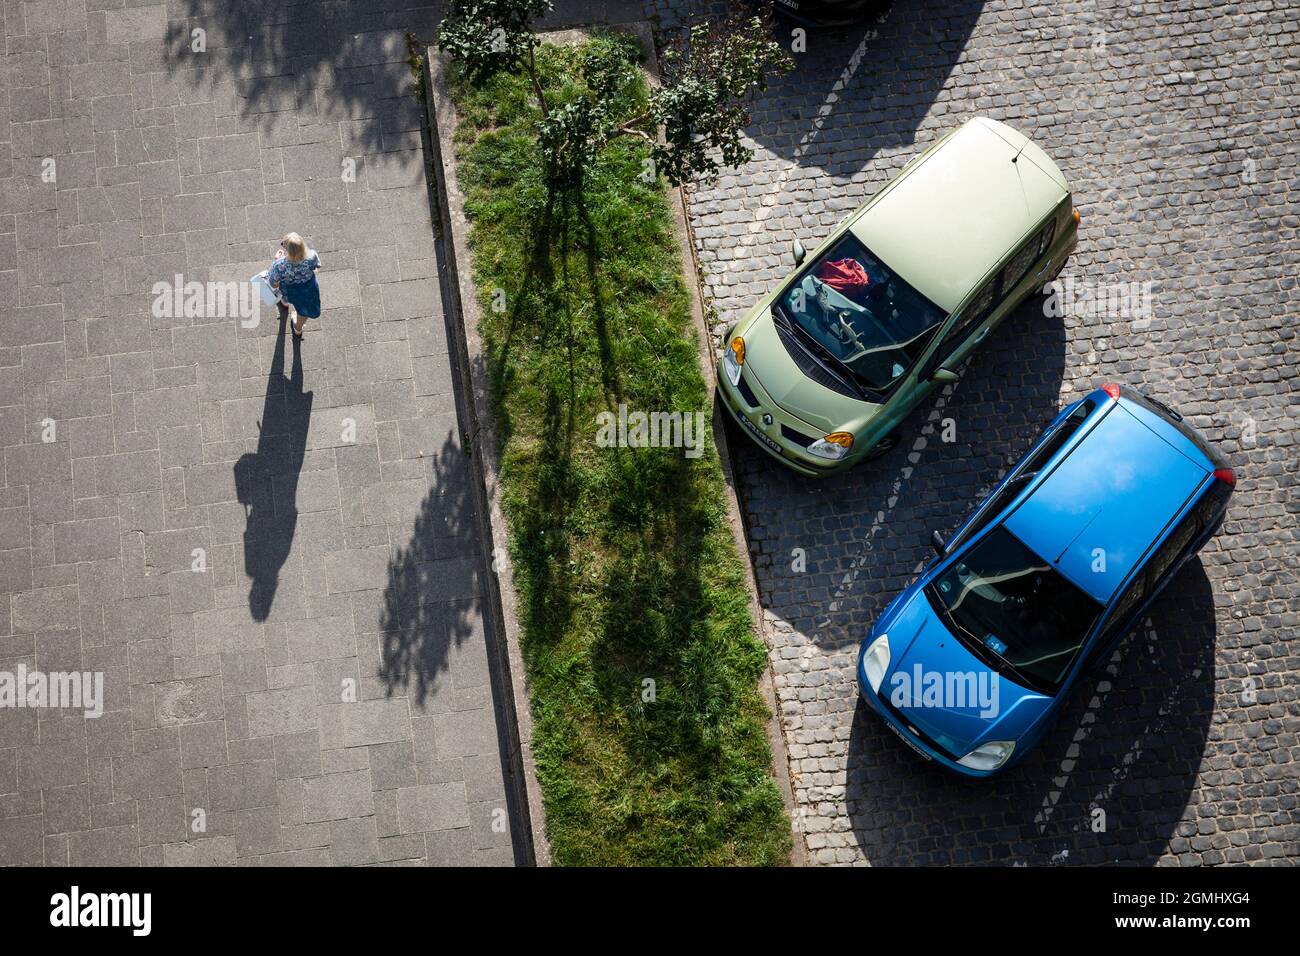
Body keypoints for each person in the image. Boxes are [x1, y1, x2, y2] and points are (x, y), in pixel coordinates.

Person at [267, 232, 322, 339]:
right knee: (303, 312)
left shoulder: (279, 265)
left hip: (289, 290)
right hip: (308, 289)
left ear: (288, 250)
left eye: (283, 244)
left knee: (285, 297)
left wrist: (277, 259)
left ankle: (285, 303)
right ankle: (298, 329)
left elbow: (273, 284)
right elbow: (317, 267)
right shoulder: (311, 256)